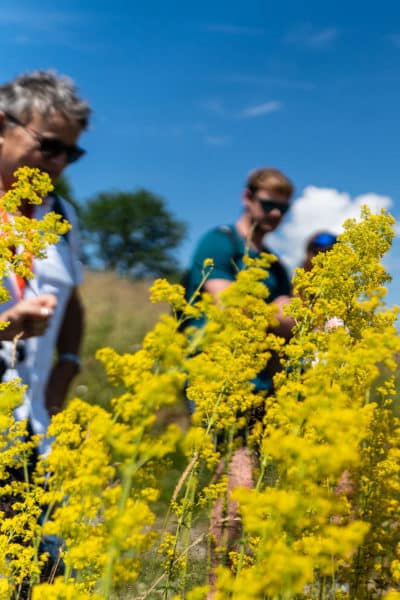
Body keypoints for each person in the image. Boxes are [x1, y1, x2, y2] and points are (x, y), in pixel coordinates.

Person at [185, 167, 295, 590]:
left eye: (283, 209)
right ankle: (219, 588)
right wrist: (280, 313)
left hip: (266, 386)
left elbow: (289, 328)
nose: (275, 214)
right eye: (268, 204)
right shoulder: (220, 241)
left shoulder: (276, 265)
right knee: (239, 487)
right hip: (222, 380)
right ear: (247, 197)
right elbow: (226, 303)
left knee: (258, 493)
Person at [0, 70, 91, 456]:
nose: (59, 164)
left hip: (33, 430)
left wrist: (67, 367)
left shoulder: (63, 217)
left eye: (72, 153)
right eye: (49, 147)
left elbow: (70, 300)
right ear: (3, 125)